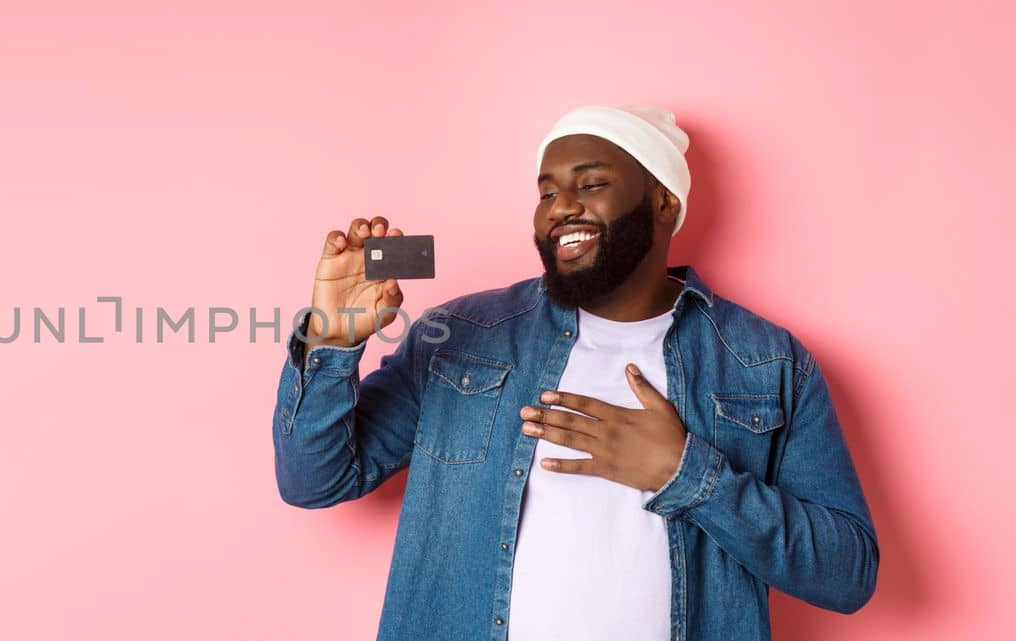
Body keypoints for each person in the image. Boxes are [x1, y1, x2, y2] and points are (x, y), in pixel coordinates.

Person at [270, 105, 878, 641]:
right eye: (546, 191)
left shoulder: (766, 362)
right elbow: (314, 480)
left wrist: (686, 473)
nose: (561, 207)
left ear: (664, 201)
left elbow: (848, 574)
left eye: (592, 183)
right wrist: (330, 342)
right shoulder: (461, 336)